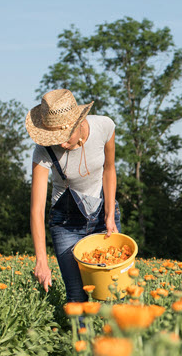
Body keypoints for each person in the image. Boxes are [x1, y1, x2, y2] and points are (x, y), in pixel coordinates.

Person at [25, 89, 119, 302]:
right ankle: (80, 335)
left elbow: (109, 169)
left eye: (64, 137)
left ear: (79, 122)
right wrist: (41, 260)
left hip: (103, 213)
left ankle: (111, 335)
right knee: (77, 295)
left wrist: (110, 214)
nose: (60, 144)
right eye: (53, 138)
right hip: (66, 223)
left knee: (113, 292)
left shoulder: (104, 127)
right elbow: (37, 209)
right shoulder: (43, 151)